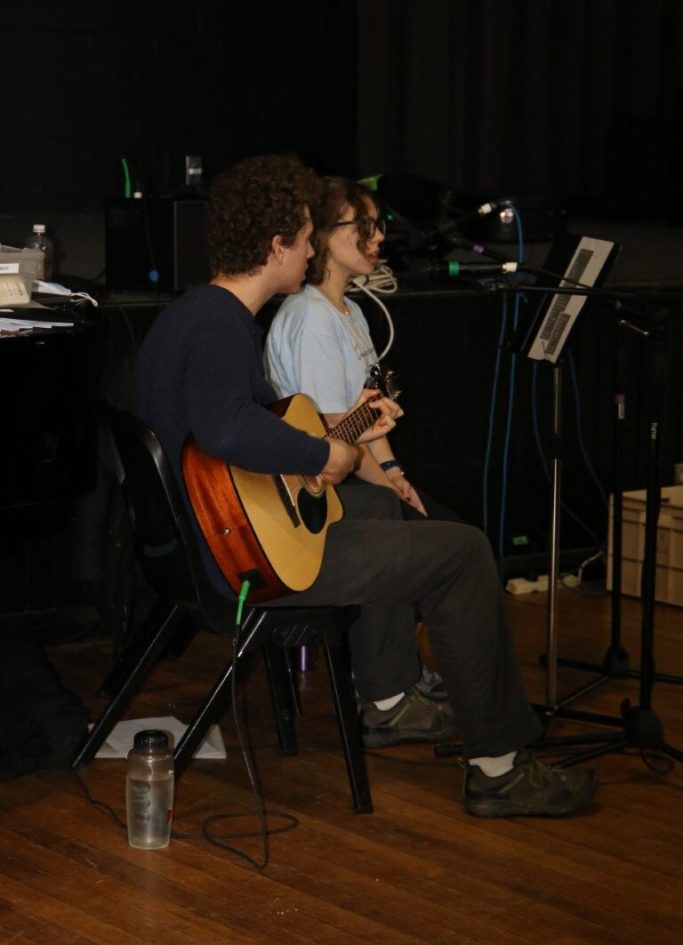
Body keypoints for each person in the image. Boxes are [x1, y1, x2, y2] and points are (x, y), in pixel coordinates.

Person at [133, 153, 598, 818]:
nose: (311, 250)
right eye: (305, 237)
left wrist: (332, 434)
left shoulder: (192, 314)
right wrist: (321, 451)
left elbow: (227, 431)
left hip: (206, 546)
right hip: (238, 562)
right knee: (464, 553)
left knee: (378, 501)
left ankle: (388, 698)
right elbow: (226, 428)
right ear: (278, 246)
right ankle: (498, 766)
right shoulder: (218, 326)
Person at [265, 175, 457, 522]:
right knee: (461, 543)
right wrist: (390, 490)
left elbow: (365, 415)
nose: (379, 236)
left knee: (459, 533)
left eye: (378, 226)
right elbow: (336, 431)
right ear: (323, 234)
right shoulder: (313, 318)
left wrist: (394, 472)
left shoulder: (350, 311)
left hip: (359, 474)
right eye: (366, 226)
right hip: (326, 489)